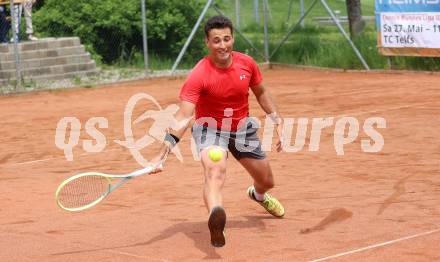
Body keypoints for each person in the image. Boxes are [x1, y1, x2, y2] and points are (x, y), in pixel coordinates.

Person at [149, 15, 285, 248]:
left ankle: (258, 195)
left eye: (226, 39)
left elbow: (260, 91)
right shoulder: (199, 74)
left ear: (232, 39)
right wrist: (162, 153)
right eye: (216, 41)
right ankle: (216, 215)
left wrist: (276, 118)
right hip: (209, 129)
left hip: (241, 128)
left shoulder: (247, 64)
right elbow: (183, 116)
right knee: (215, 171)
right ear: (207, 42)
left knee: (267, 181)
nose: (222, 45)